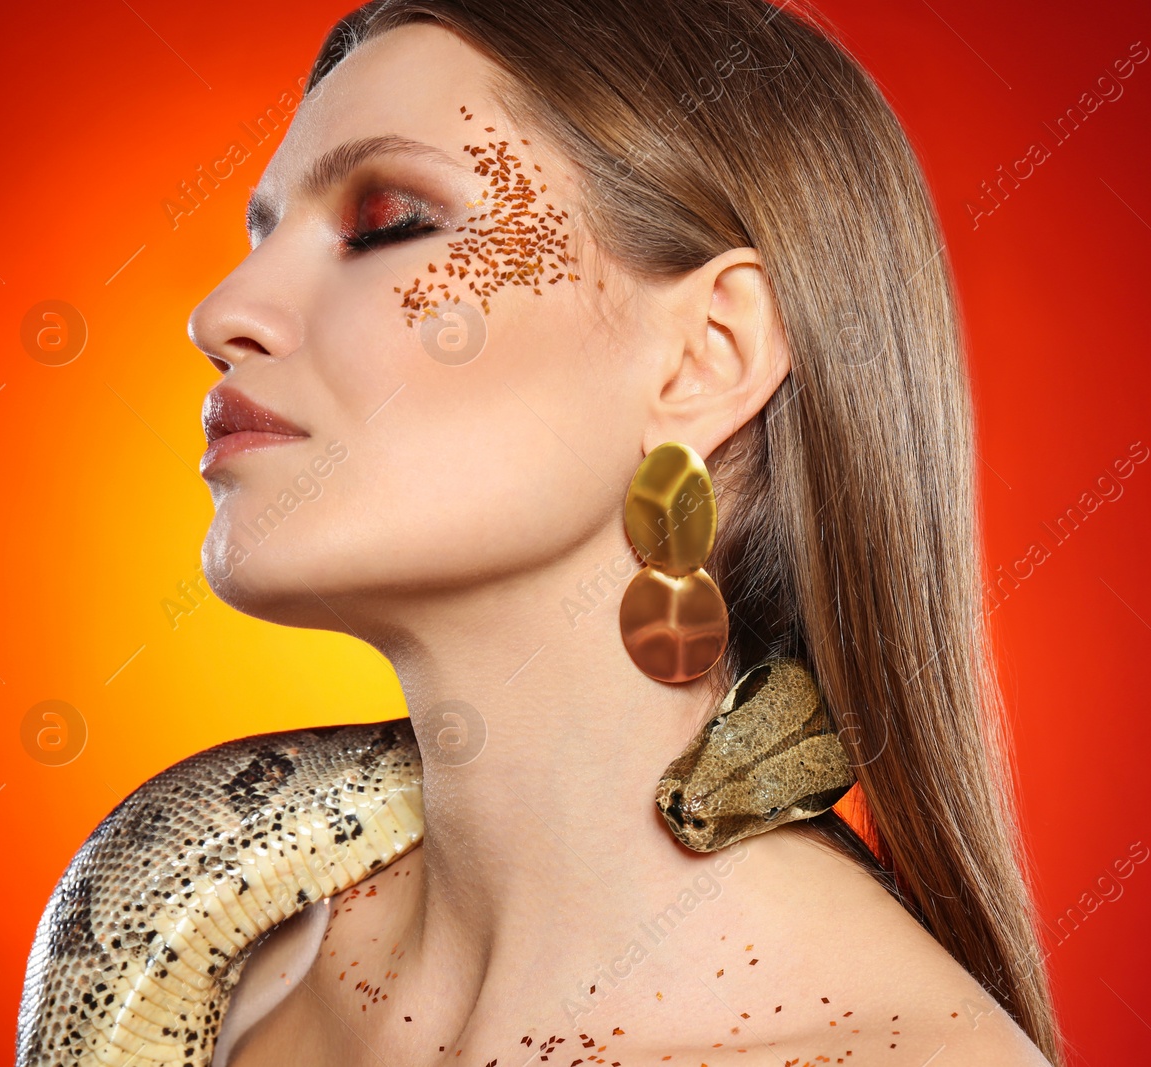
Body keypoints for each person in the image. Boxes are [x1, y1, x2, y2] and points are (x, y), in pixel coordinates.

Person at [185, 0, 1061, 1063]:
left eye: (387, 223)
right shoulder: (226, 968)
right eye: (264, 232)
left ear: (704, 356)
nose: (223, 310)